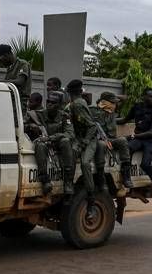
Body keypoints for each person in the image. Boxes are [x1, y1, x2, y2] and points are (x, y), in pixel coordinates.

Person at [28, 91, 75, 196]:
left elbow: (70, 134)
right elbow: (23, 126)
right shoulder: (38, 114)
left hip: (57, 144)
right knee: (40, 146)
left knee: (66, 141)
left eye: (53, 103)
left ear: (58, 105)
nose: (49, 104)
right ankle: (45, 181)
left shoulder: (64, 116)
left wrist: (52, 138)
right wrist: (31, 126)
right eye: (48, 101)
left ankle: (68, 182)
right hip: (44, 144)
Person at [66, 79, 100, 210]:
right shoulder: (74, 104)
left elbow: (92, 127)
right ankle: (69, 187)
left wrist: (85, 142)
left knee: (85, 163)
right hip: (79, 138)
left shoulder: (78, 105)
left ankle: (91, 198)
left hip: (90, 139)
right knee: (71, 154)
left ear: (70, 93)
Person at [118, 88, 152, 186]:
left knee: (145, 164)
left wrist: (134, 135)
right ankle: (126, 178)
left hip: (151, 140)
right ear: (144, 97)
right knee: (127, 148)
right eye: (151, 96)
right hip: (139, 138)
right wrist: (111, 120)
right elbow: (125, 120)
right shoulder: (137, 107)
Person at [90, 92, 134, 189]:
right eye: (113, 103)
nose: (115, 105)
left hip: (111, 139)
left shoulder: (112, 114)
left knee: (122, 140)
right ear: (106, 103)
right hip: (99, 139)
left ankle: (126, 175)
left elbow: (119, 120)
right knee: (101, 145)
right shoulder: (93, 111)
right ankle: (101, 177)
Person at [0, 44, 31, 116]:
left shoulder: (22, 64)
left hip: (19, 102)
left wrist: (0, 82)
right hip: (10, 101)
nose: (0, 61)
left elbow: (20, 81)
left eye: (0, 58)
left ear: (7, 54)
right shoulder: (10, 68)